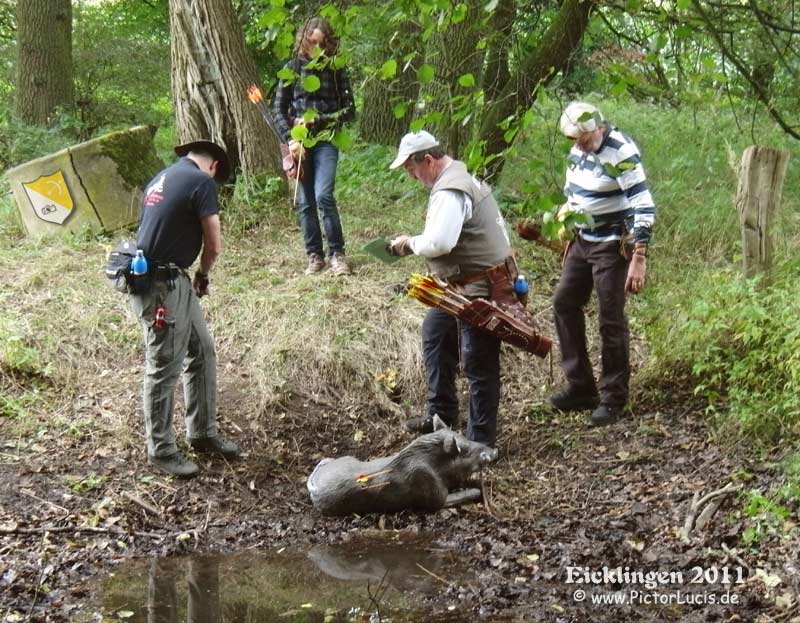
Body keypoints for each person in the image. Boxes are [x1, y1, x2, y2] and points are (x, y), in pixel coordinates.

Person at [388, 131, 514, 447]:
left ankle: (481, 443)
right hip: (464, 285)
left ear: (427, 160)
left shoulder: (450, 190)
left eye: (410, 167)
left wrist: (409, 243)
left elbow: (440, 242)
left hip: (480, 287)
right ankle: (440, 415)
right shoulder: (457, 179)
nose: (410, 175)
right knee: (436, 332)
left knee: (478, 361)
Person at [536, 101, 655, 426]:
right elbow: (574, 193)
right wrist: (562, 218)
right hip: (583, 241)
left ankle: (614, 396)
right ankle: (581, 386)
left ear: (596, 128)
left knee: (610, 317)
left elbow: (642, 203)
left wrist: (639, 256)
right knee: (564, 302)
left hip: (613, 245)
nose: (577, 144)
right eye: (572, 139)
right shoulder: (578, 151)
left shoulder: (621, 151)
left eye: (582, 138)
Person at [131, 139, 240, 478]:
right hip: (162, 285)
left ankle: (202, 433)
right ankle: (161, 450)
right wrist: (204, 274)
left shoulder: (163, 177)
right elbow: (214, 242)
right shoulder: (202, 182)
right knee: (164, 365)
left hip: (167, 279)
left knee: (202, 351)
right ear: (214, 167)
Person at [271, 16, 355, 276]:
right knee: (305, 202)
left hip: (327, 141)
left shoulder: (336, 69)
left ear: (328, 44)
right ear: (303, 41)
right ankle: (314, 256)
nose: (315, 49)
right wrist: (291, 137)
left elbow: (350, 110)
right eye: (311, 43)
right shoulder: (292, 67)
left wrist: (321, 119)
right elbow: (277, 110)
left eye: (321, 44)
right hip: (299, 144)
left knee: (323, 196)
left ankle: (337, 255)